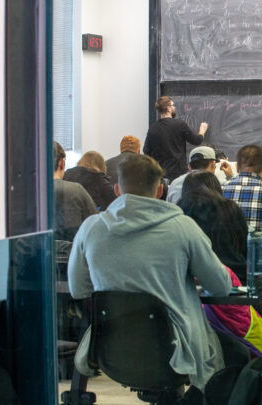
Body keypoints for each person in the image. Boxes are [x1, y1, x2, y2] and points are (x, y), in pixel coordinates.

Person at [68, 154, 233, 396]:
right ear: (159, 191)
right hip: (176, 351)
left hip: (112, 349)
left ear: (116, 189)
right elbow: (220, 287)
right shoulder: (183, 227)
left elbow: (78, 289)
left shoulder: (91, 228)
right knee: (236, 353)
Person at [178, 171, 248, 282]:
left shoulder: (179, 211)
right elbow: (243, 245)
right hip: (235, 276)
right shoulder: (231, 208)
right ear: (217, 187)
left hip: (190, 280)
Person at [144, 96, 207, 181]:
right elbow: (196, 140)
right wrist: (202, 130)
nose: (174, 108)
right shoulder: (179, 125)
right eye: (173, 105)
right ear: (169, 108)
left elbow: (146, 151)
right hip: (179, 173)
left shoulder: (153, 128)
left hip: (160, 174)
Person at [53, 142, 97, 241]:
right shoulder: (76, 190)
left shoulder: (30, 195)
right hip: (72, 254)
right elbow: (95, 226)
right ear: (61, 163)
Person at [166, 145, 233, 204]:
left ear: (189, 167)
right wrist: (230, 176)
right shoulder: (214, 184)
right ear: (213, 164)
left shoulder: (174, 183)